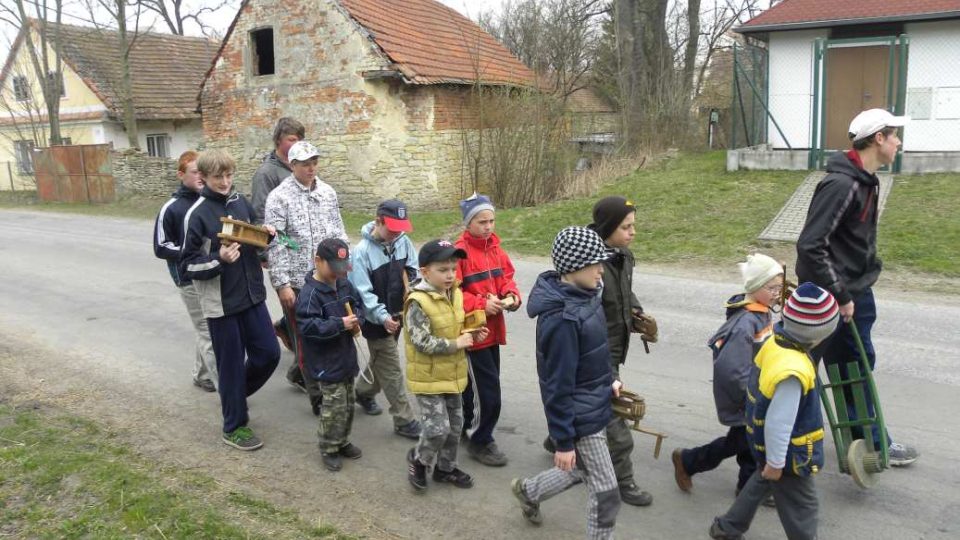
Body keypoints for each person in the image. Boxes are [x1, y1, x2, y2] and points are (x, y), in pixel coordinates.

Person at [796, 108, 918, 466]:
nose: (898, 141)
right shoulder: (842, 185)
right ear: (878, 138)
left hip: (853, 293)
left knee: (849, 370)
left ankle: (860, 441)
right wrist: (842, 295)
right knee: (806, 375)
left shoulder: (867, 180)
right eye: (894, 135)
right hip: (833, 298)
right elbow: (810, 246)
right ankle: (791, 455)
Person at [512, 226, 622, 539]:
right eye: (596, 263)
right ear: (574, 268)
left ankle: (529, 492)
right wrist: (562, 440)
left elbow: (595, 353)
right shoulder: (562, 320)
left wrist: (611, 379)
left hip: (594, 402)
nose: (602, 269)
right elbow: (556, 385)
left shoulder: (586, 295)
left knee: (577, 470)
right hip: (580, 416)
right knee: (606, 493)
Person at [709, 283, 840, 540]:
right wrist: (777, 462)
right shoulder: (793, 370)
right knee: (804, 508)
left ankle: (728, 528)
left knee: (763, 479)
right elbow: (779, 423)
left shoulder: (776, 341)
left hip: (765, 444)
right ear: (821, 333)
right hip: (792, 454)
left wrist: (771, 462)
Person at [179, 149, 280, 451]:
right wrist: (219, 259)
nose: (224, 182)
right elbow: (187, 266)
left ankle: (233, 396)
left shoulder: (240, 202)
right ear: (204, 178)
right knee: (231, 365)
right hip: (220, 303)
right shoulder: (196, 214)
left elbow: (253, 245)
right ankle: (233, 426)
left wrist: (266, 238)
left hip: (252, 296)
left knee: (269, 353)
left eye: (228, 175)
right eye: (217, 177)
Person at [672, 253, 782, 496]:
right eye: (771, 288)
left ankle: (743, 485)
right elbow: (731, 369)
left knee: (746, 443)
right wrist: (751, 396)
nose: (777, 293)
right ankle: (690, 461)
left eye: (779, 288)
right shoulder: (745, 323)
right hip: (747, 396)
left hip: (757, 392)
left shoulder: (761, 311)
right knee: (746, 442)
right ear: (754, 287)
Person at [264, 140, 349, 416]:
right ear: (292, 165)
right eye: (305, 164)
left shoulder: (327, 192)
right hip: (299, 281)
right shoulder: (279, 197)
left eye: (314, 162)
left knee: (331, 332)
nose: (311, 168)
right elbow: (275, 244)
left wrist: (344, 265)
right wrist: (282, 284)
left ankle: (308, 376)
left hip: (328, 277)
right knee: (306, 340)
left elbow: (339, 231)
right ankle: (318, 398)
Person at [403, 240, 487, 492]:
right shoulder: (417, 301)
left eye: (453, 268)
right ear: (425, 271)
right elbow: (421, 342)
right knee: (437, 429)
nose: (450, 274)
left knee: (455, 427)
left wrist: (471, 333)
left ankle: (445, 468)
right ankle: (419, 461)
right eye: (443, 269)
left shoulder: (456, 293)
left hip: (453, 373)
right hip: (428, 378)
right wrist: (456, 343)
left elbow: (455, 328)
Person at [588, 195, 656, 506]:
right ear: (607, 228)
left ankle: (563, 440)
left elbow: (624, 292)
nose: (632, 232)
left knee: (589, 406)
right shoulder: (591, 263)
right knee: (617, 422)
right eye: (626, 227)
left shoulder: (623, 255)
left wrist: (637, 314)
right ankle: (623, 481)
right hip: (597, 351)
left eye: (633, 226)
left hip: (615, 346)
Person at [455, 193, 522, 467]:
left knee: (475, 387)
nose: (488, 226)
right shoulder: (459, 252)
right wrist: (482, 304)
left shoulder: (496, 249)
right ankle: (480, 440)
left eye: (492, 220)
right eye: (482, 221)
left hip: (493, 330)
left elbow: (507, 279)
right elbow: (453, 294)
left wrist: (511, 296)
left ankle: (464, 426)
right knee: (489, 394)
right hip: (474, 334)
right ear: (469, 222)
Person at [348, 199, 421, 439]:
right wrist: (381, 316)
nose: (397, 233)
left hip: (398, 314)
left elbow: (413, 270)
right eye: (392, 228)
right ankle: (404, 419)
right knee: (391, 367)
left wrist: (415, 296)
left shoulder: (403, 241)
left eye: (401, 227)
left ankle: (363, 391)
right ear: (378, 221)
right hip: (375, 320)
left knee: (381, 359)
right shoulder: (361, 253)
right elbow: (363, 293)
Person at [296, 238, 364, 472]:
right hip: (326, 362)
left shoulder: (344, 284)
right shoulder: (310, 294)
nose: (338, 273)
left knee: (348, 404)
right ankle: (328, 446)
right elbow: (307, 327)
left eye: (342, 268)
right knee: (333, 407)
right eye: (334, 268)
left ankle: (342, 440)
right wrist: (339, 324)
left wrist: (357, 320)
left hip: (346, 357)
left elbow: (358, 305)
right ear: (318, 261)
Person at [152, 150, 218, 392]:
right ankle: (228, 388)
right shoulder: (171, 208)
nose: (201, 176)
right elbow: (160, 246)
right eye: (194, 172)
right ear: (181, 175)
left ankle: (202, 374)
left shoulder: (208, 202)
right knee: (208, 330)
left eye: (203, 171)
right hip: (188, 279)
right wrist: (190, 252)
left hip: (210, 274)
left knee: (207, 328)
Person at [251, 117, 305, 224]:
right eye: (292, 140)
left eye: (300, 140)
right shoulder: (265, 173)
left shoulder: (303, 166)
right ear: (278, 140)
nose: (298, 144)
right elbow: (260, 215)